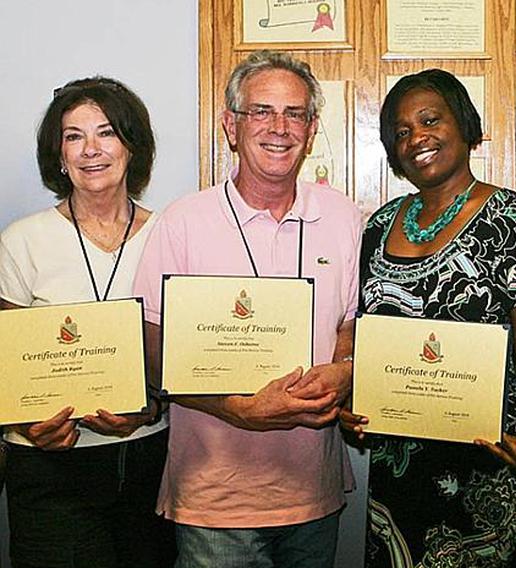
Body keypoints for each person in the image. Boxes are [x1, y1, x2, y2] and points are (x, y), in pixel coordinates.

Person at [132, 51, 361, 568]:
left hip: (312, 492)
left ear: (312, 127)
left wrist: (344, 372)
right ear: (231, 126)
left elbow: (350, 323)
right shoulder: (182, 222)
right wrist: (239, 409)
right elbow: (151, 351)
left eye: (295, 113)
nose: (279, 128)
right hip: (214, 497)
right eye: (261, 111)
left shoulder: (345, 218)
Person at [341, 68, 516, 567]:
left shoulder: (511, 219)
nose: (416, 137)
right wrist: (351, 401)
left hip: (486, 464)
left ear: (464, 126)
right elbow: (364, 331)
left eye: (430, 120)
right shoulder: (379, 227)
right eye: (401, 131)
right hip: (397, 469)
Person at [0, 77, 174, 568]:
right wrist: (27, 422)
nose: (91, 150)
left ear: (131, 146)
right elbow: (6, 365)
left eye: (106, 132)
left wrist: (152, 406)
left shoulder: (171, 233)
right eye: (74, 136)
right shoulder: (22, 240)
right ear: (57, 153)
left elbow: (188, 352)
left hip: (146, 459)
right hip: (50, 468)